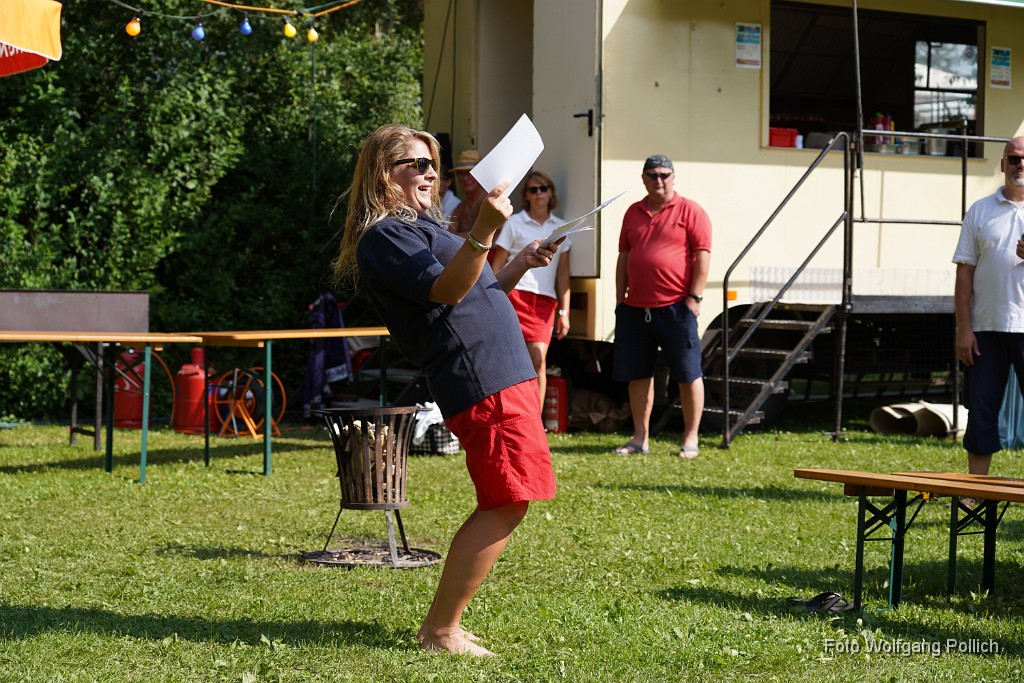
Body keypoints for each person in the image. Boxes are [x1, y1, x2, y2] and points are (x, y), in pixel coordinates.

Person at [332, 124, 565, 657]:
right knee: (507, 499)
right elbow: (446, 289)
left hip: (502, 373)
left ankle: (443, 626)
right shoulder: (386, 235)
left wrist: (520, 264)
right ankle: (440, 630)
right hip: (482, 377)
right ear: (382, 177)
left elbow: (472, 292)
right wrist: (484, 228)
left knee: (509, 498)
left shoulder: (423, 227)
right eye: (415, 163)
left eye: (431, 164)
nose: (430, 172)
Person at [612, 154, 711, 459]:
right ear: (643, 178)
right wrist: (619, 300)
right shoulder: (633, 212)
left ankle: (690, 439)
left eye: (664, 175)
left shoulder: (690, 211)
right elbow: (624, 256)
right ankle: (640, 438)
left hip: (676, 308)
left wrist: (694, 298)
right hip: (635, 309)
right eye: (653, 175)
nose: (659, 180)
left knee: (687, 373)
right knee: (638, 374)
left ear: (674, 177)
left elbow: (702, 255)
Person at [953, 136, 1024, 476]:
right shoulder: (980, 209)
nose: (1020, 165)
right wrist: (963, 329)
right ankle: (974, 493)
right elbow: (964, 274)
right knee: (981, 409)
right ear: (1002, 165)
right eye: (1013, 159)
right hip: (985, 328)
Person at [491, 171, 572, 409]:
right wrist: (492, 298)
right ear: (526, 195)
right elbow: (497, 265)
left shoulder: (561, 227)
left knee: (538, 360)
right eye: (533, 189)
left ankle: (534, 419)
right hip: (514, 295)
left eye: (543, 188)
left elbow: (563, 273)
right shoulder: (514, 222)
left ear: (551, 193)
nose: (539, 193)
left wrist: (565, 312)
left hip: (544, 302)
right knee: (509, 361)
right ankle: (510, 414)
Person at [449, 148, 485, 238]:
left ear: (481, 174)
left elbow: (489, 236)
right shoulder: (459, 209)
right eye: (460, 173)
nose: (465, 178)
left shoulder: (491, 202)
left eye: (470, 173)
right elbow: (449, 238)